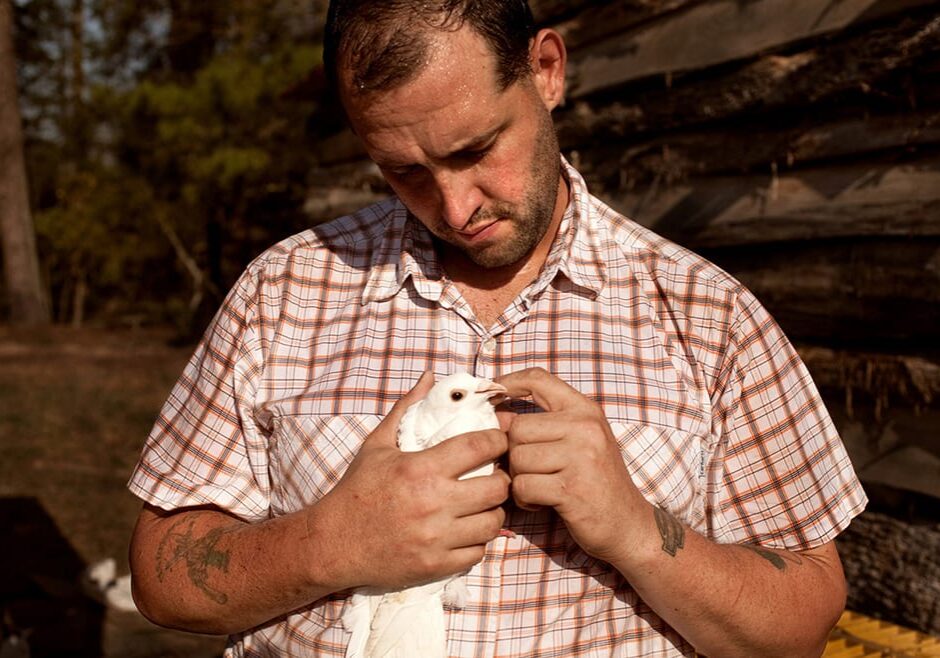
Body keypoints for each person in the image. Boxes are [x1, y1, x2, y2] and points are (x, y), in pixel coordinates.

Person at [127, 1, 867, 656]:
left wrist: (638, 531)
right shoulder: (283, 291)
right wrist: (328, 543)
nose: (454, 209)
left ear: (546, 70)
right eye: (403, 170)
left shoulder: (710, 316)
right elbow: (161, 576)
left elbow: (802, 621)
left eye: (475, 150)